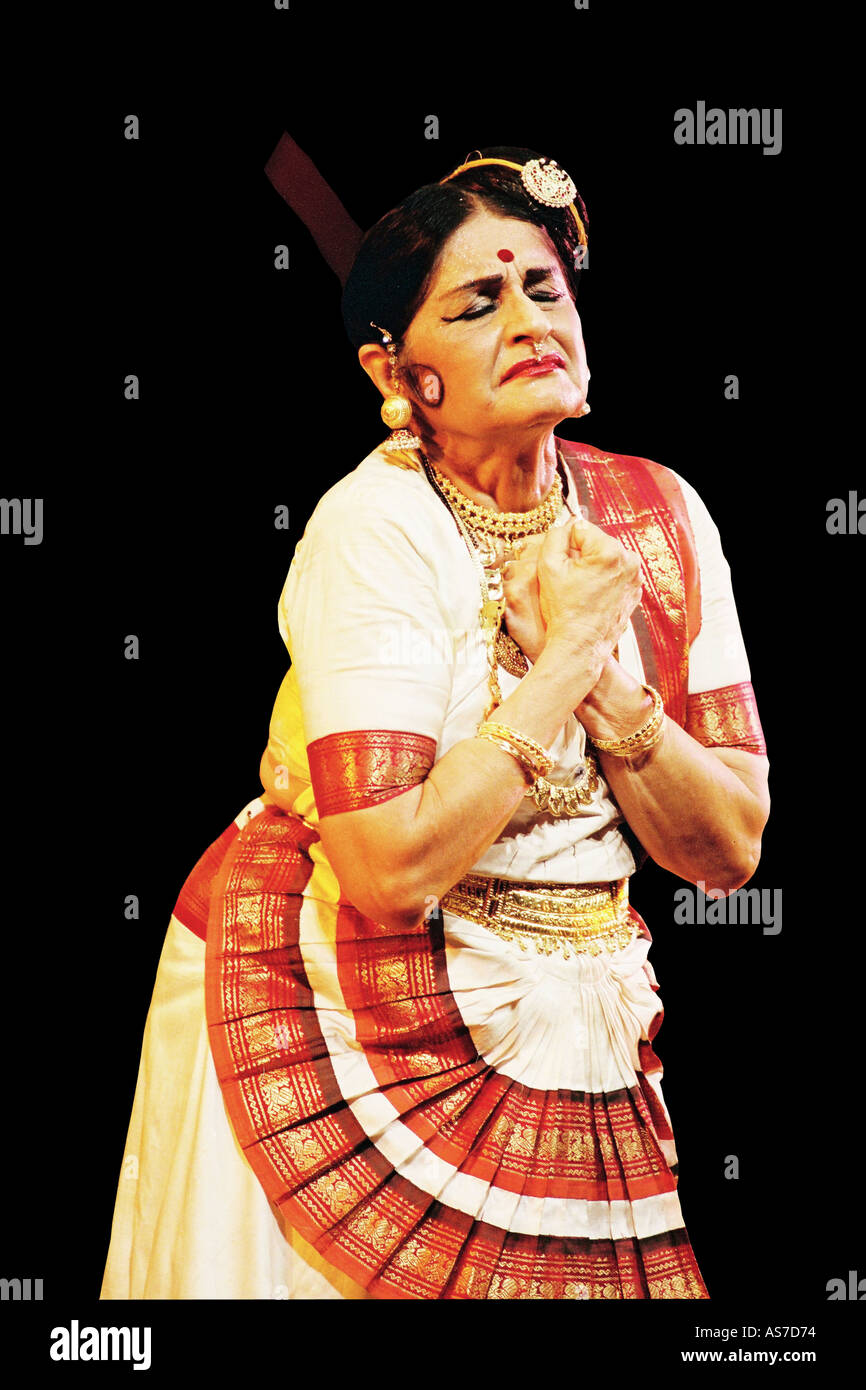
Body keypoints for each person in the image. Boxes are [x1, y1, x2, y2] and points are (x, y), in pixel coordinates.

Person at [101, 147, 769, 1301]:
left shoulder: (656, 514)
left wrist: (609, 690)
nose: (527, 318)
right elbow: (389, 867)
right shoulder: (373, 530)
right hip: (338, 1016)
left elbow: (728, 846)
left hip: (578, 1014)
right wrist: (564, 660)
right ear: (396, 371)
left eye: (542, 287)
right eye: (476, 303)